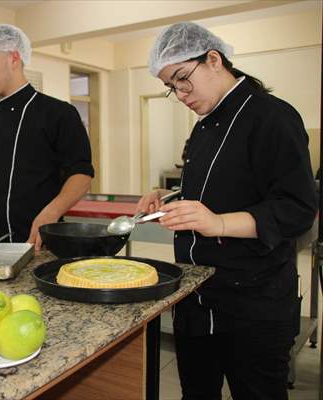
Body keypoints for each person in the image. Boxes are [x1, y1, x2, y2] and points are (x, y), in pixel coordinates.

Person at [139, 22, 317, 400]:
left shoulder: (272, 117)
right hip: (196, 297)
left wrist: (217, 223)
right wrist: (167, 198)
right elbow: (216, 190)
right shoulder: (204, 126)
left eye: (183, 78)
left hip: (252, 306)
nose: (180, 93)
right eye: (172, 86)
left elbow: (298, 208)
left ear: (214, 59)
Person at [0, 24, 94, 249]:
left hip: (41, 243)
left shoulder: (58, 113)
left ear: (13, 58)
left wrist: (51, 213)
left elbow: (81, 174)